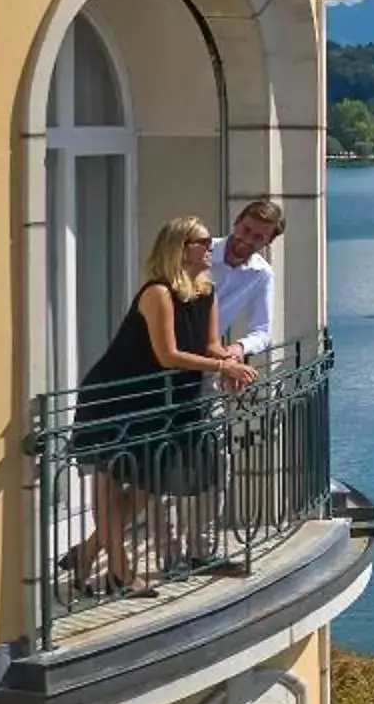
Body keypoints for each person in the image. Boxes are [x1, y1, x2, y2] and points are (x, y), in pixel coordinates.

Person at [61, 217, 254, 599]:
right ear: (180, 248)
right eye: (202, 241)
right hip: (119, 398)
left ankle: (86, 555)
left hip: (165, 402)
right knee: (112, 483)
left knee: (152, 484)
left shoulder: (206, 291)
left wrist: (236, 356)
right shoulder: (158, 293)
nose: (210, 246)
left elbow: (210, 344)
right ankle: (120, 574)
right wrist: (221, 367)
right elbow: (168, 355)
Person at [214, 197, 285, 358]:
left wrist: (239, 348)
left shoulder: (261, 274)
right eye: (246, 230)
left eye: (259, 237)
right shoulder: (201, 251)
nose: (247, 239)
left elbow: (262, 331)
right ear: (236, 223)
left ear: (268, 242)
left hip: (205, 358)